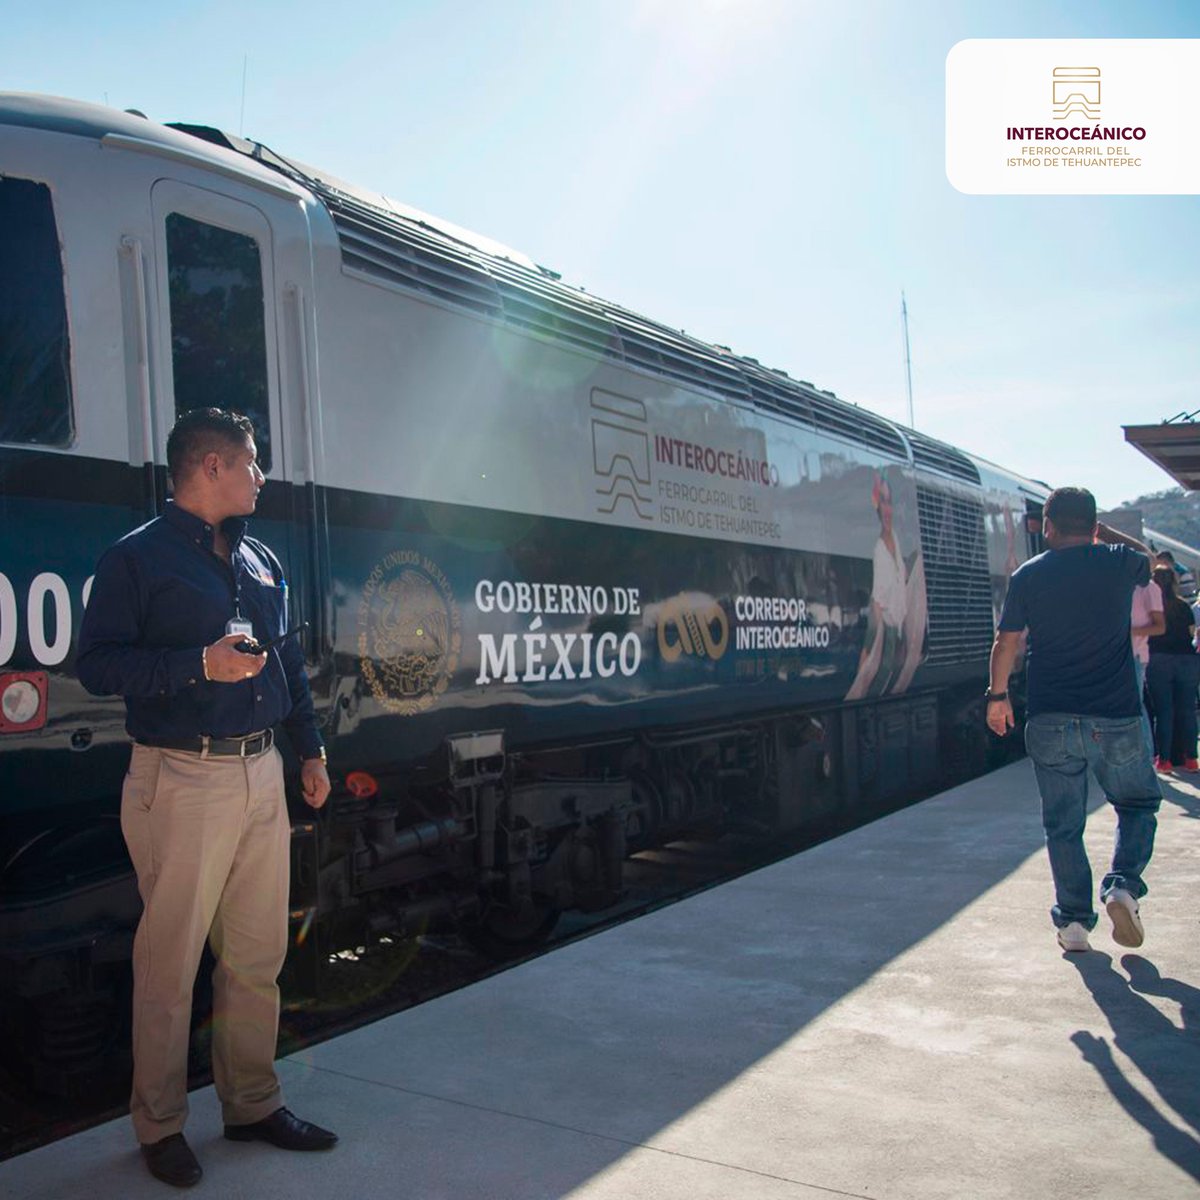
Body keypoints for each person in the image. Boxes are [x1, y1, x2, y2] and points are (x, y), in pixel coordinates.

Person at [77, 408, 336, 1188]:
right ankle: (159, 1127)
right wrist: (199, 665)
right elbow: (97, 667)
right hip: (181, 777)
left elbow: (285, 661)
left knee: (257, 956)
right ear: (212, 467)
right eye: (253, 464)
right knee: (171, 964)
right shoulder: (136, 561)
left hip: (260, 775)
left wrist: (311, 750)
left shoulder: (259, 559)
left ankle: (252, 1104)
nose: (263, 477)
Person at [986, 486, 1160, 955]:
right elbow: (1155, 562)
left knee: (1063, 824)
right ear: (1094, 525)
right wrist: (1109, 535)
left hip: (1050, 717)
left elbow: (1006, 643)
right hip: (1117, 716)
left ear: (1047, 526)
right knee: (1138, 802)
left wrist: (997, 697)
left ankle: (1075, 924)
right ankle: (1122, 885)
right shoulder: (1120, 561)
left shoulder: (1028, 575)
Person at [1145, 563, 1200, 774]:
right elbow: (1191, 633)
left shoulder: (1152, 606)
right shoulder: (1183, 606)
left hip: (1159, 661)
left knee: (1163, 712)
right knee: (1187, 710)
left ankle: (1164, 760)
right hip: (1186, 660)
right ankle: (1192, 758)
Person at [1130, 577, 1165, 753]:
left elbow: (1160, 627)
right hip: (1112, 655)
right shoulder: (1113, 581)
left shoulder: (1148, 587)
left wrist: (1129, 632)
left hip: (1135, 655)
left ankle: (1146, 756)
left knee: (1136, 706)